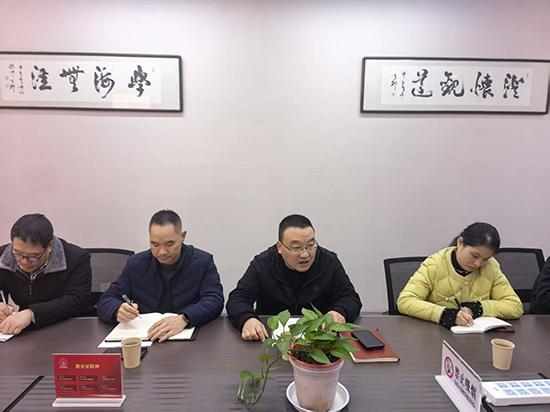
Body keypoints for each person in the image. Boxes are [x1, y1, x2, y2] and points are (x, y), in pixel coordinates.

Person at [226, 214, 362, 341]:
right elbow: (238, 298)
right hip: (270, 338)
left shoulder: (329, 262)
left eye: (311, 245)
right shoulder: (263, 264)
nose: (305, 254)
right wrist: (247, 319)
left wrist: (339, 312)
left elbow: (350, 298)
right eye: (297, 248)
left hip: (319, 339)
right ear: (280, 247)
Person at [97, 210, 224, 342]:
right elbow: (107, 299)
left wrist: (185, 318)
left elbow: (214, 300)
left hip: (187, 338)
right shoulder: (136, 264)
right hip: (146, 338)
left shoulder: (202, 262)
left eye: (169, 244)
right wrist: (117, 309)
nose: (162, 252)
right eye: (155, 244)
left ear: (182, 236)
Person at [397, 222, 523, 328]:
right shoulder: (434, 264)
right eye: (475, 255)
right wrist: (445, 315)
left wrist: (478, 308)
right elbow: (405, 301)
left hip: (477, 339)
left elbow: (515, 306)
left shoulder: (491, 267)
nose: (478, 264)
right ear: (460, 242)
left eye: (485, 259)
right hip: (437, 335)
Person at [0, 214, 91, 335]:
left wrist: (31, 313)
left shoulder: (76, 258)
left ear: (49, 246)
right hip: (27, 332)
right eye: (17, 254)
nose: (24, 262)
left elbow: (76, 300)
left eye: (33, 257)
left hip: (69, 328)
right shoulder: (2, 257)